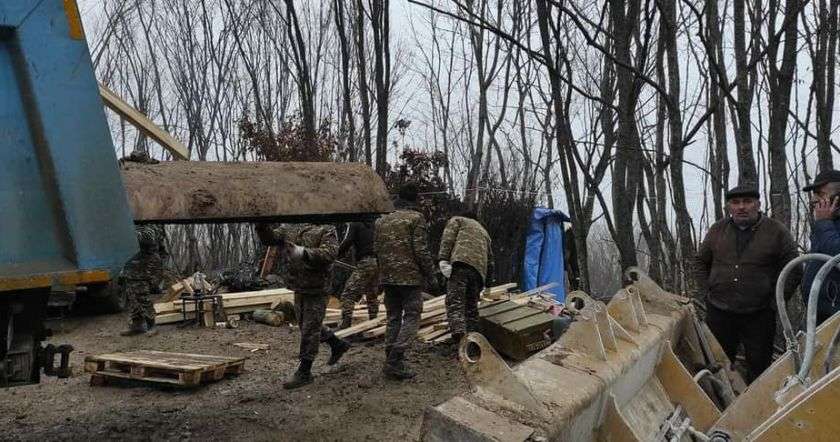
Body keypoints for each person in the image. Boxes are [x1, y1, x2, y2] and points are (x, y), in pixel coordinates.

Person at [694, 185, 801, 383]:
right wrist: (707, 292)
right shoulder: (717, 230)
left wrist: (775, 301)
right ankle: (720, 400)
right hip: (719, 312)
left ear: (758, 205)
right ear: (729, 207)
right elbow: (700, 262)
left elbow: (794, 269)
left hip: (759, 315)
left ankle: (758, 402)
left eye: (747, 202)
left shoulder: (776, 231)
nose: (741, 207)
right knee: (717, 365)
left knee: (760, 369)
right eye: (735, 203)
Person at [255, 222, 351, 389]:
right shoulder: (290, 227)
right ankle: (337, 344)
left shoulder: (325, 229)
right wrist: (261, 226)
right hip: (299, 285)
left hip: (318, 287)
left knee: (309, 329)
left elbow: (330, 254)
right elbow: (270, 239)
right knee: (305, 324)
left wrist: (302, 252)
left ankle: (305, 372)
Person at [374, 183, 443, 380]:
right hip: (409, 278)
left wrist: (381, 275)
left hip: (388, 277)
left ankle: (390, 356)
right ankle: (395, 359)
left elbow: (376, 249)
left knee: (393, 317)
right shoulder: (416, 218)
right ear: (415, 199)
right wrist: (432, 276)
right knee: (412, 315)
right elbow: (421, 250)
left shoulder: (381, 220)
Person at [438, 210, 493, 346]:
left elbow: (448, 239)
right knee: (471, 308)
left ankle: (460, 339)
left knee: (455, 303)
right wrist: (488, 284)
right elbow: (491, 261)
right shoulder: (484, 232)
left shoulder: (458, 220)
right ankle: (474, 342)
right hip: (479, 272)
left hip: (461, 264)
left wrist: (443, 259)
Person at [802, 169, 840, 324]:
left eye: (820, 194)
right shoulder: (827, 224)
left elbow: (837, 255)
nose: (813, 200)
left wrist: (824, 223)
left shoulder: (825, 223)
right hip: (819, 315)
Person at [120, 224, 166, 336]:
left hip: (147, 264)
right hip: (137, 265)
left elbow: (149, 238)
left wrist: (131, 233)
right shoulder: (137, 227)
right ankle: (137, 324)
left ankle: (152, 325)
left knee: (142, 296)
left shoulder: (151, 228)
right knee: (132, 296)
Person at [337, 221, 380, 329]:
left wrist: (336, 254)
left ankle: (345, 323)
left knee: (348, 294)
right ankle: (374, 321)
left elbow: (347, 241)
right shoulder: (375, 223)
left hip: (365, 262)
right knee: (372, 294)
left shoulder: (355, 224)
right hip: (377, 262)